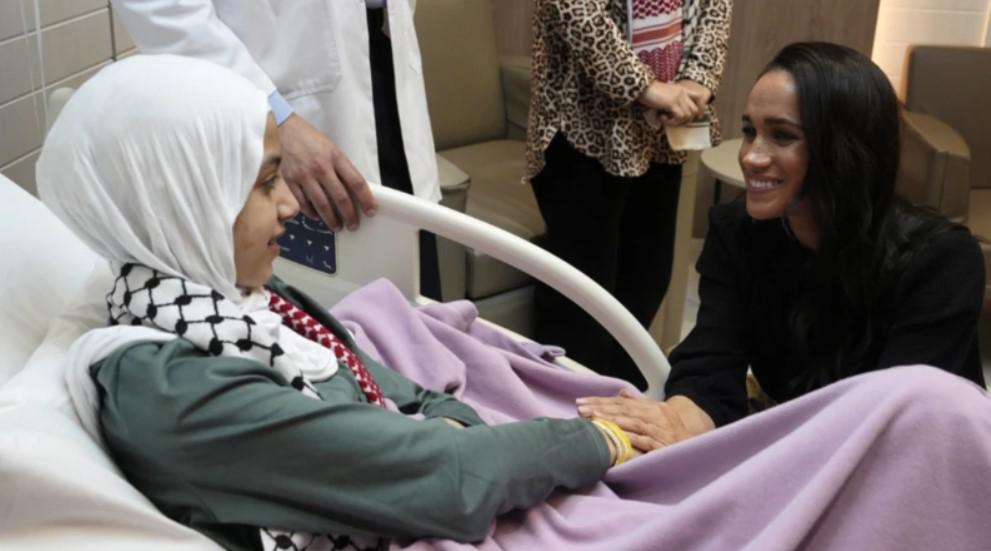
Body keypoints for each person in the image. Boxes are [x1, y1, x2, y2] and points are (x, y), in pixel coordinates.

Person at [39, 54, 991, 551]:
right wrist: (617, 435)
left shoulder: (234, 302)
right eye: (262, 184)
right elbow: (442, 474)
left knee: (923, 409)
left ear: (845, 151)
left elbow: (392, 395)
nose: (289, 207)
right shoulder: (172, 381)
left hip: (826, 425)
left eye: (781, 137)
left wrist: (473, 422)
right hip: (462, 495)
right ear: (175, 202)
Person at [577, 42, 987, 450]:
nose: (751, 156)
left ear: (846, 149)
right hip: (805, 445)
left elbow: (887, 431)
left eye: (782, 136)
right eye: (750, 131)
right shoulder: (738, 233)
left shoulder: (940, 263)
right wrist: (676, 421)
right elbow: (712, 364)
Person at [112, 0, 444, 298]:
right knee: (319, 309)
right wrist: (275, 119)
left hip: (385, 59)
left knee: (418, 308)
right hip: (274, 103)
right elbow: (160, 10)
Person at [527, 0, 733, 387]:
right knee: (582, 297)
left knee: (648, 279)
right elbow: (575, 10)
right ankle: (563, 405)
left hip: (662, 130)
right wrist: (645, 87)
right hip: (584, 123)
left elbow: (715, 9)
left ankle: (621, 403)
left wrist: (697, 81)